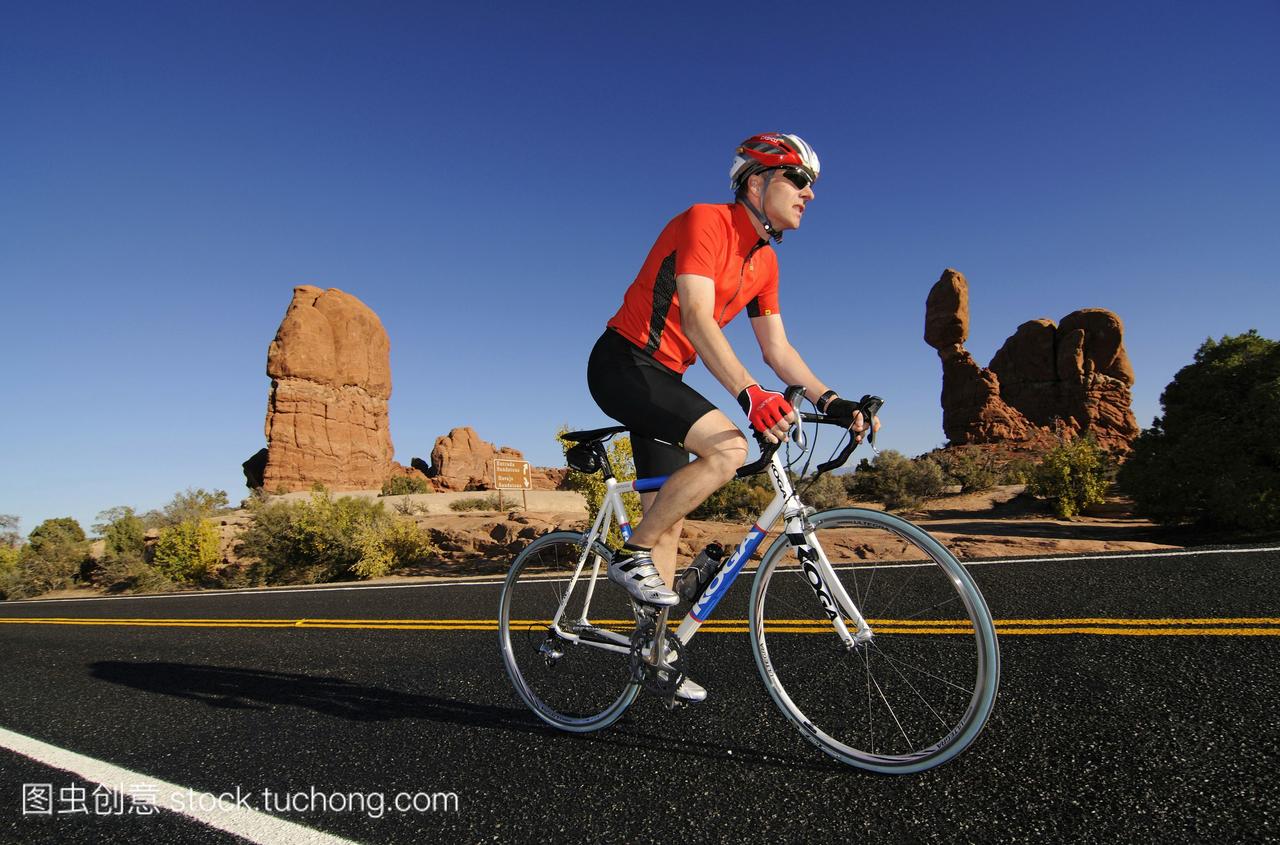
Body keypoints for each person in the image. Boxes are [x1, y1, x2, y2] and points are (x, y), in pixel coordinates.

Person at [586, 133, 878, 699]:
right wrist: (750, 395)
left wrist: (832, 401)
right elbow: (697, 316)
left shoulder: (764, 261)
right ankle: (630, 555)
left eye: (811, 185)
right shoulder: (705, 221)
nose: (809, 194)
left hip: (662, 379)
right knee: (728, 448)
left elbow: (778, 351)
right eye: (798, 179)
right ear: (756, 180)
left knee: (668, 517)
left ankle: (651, 655)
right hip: (623, 362)